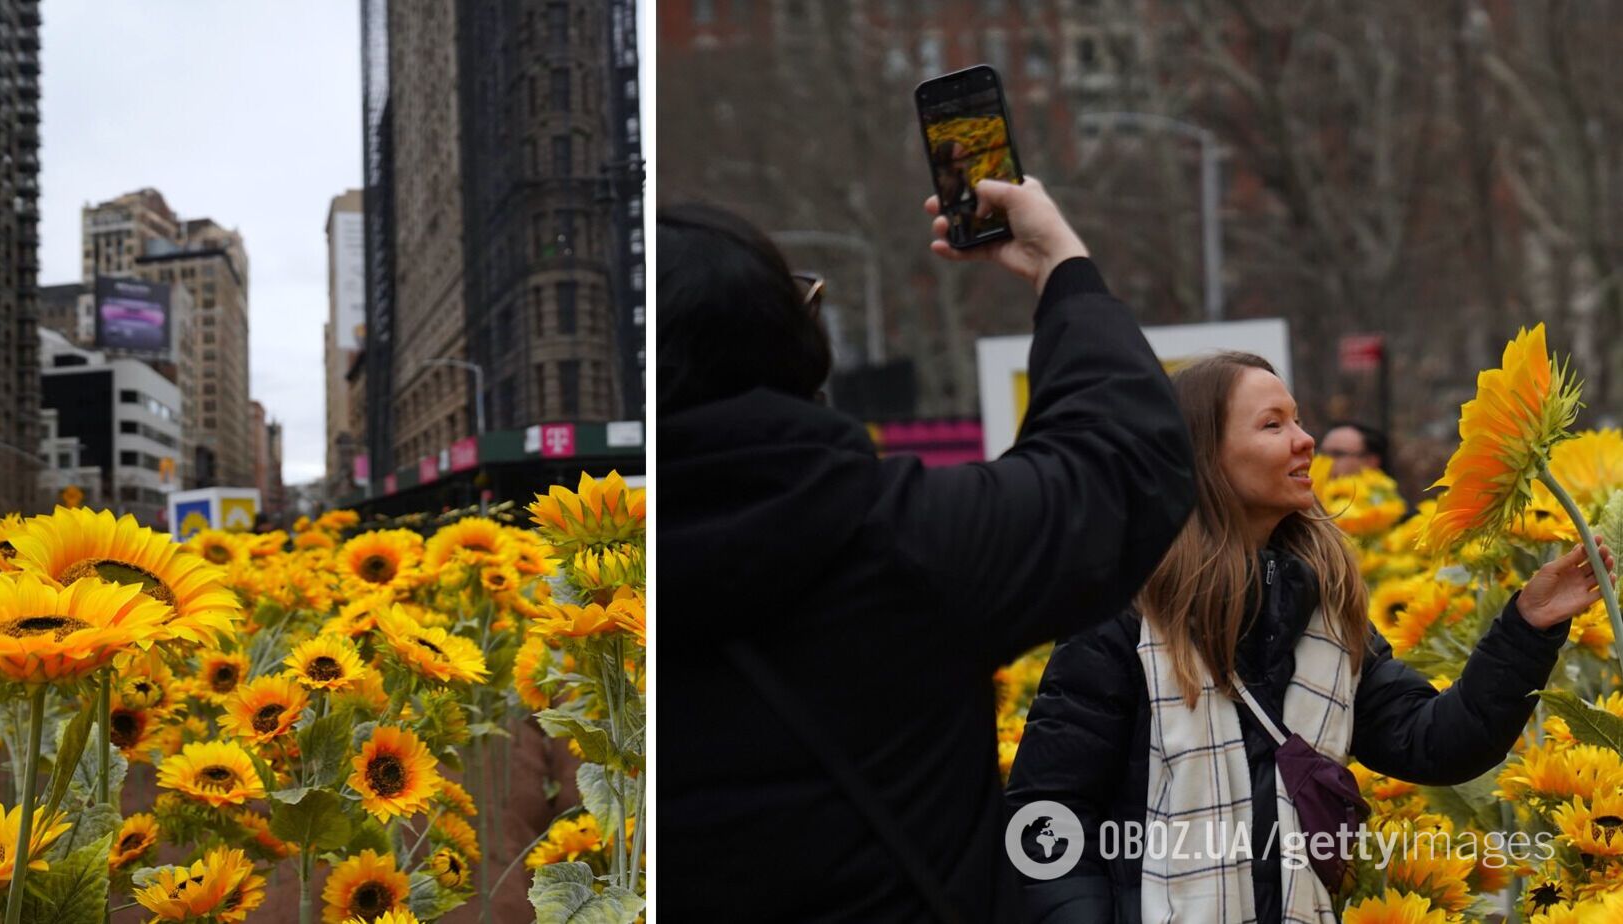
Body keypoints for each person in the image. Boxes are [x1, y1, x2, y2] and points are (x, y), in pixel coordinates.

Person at [661, 177, 1198, 921]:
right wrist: (1059, 263)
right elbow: (1121, 462)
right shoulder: (904, 543)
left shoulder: (599, 601)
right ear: (795, 348)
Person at [1004, 351, 1613, 923]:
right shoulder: (1122, 617)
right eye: (1273, 425)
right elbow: (1046, 819)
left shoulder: (1324, 611)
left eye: (1298, 420)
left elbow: (1436, 743)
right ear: (1201, 455)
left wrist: (1528, 626)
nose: (1306, 440)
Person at [1320, 420, 1390, 478]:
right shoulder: (1313, 490)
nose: (1324, 460)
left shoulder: (1382, 494)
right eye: (1322, 453)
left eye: (1337, 454)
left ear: (1371, 461)